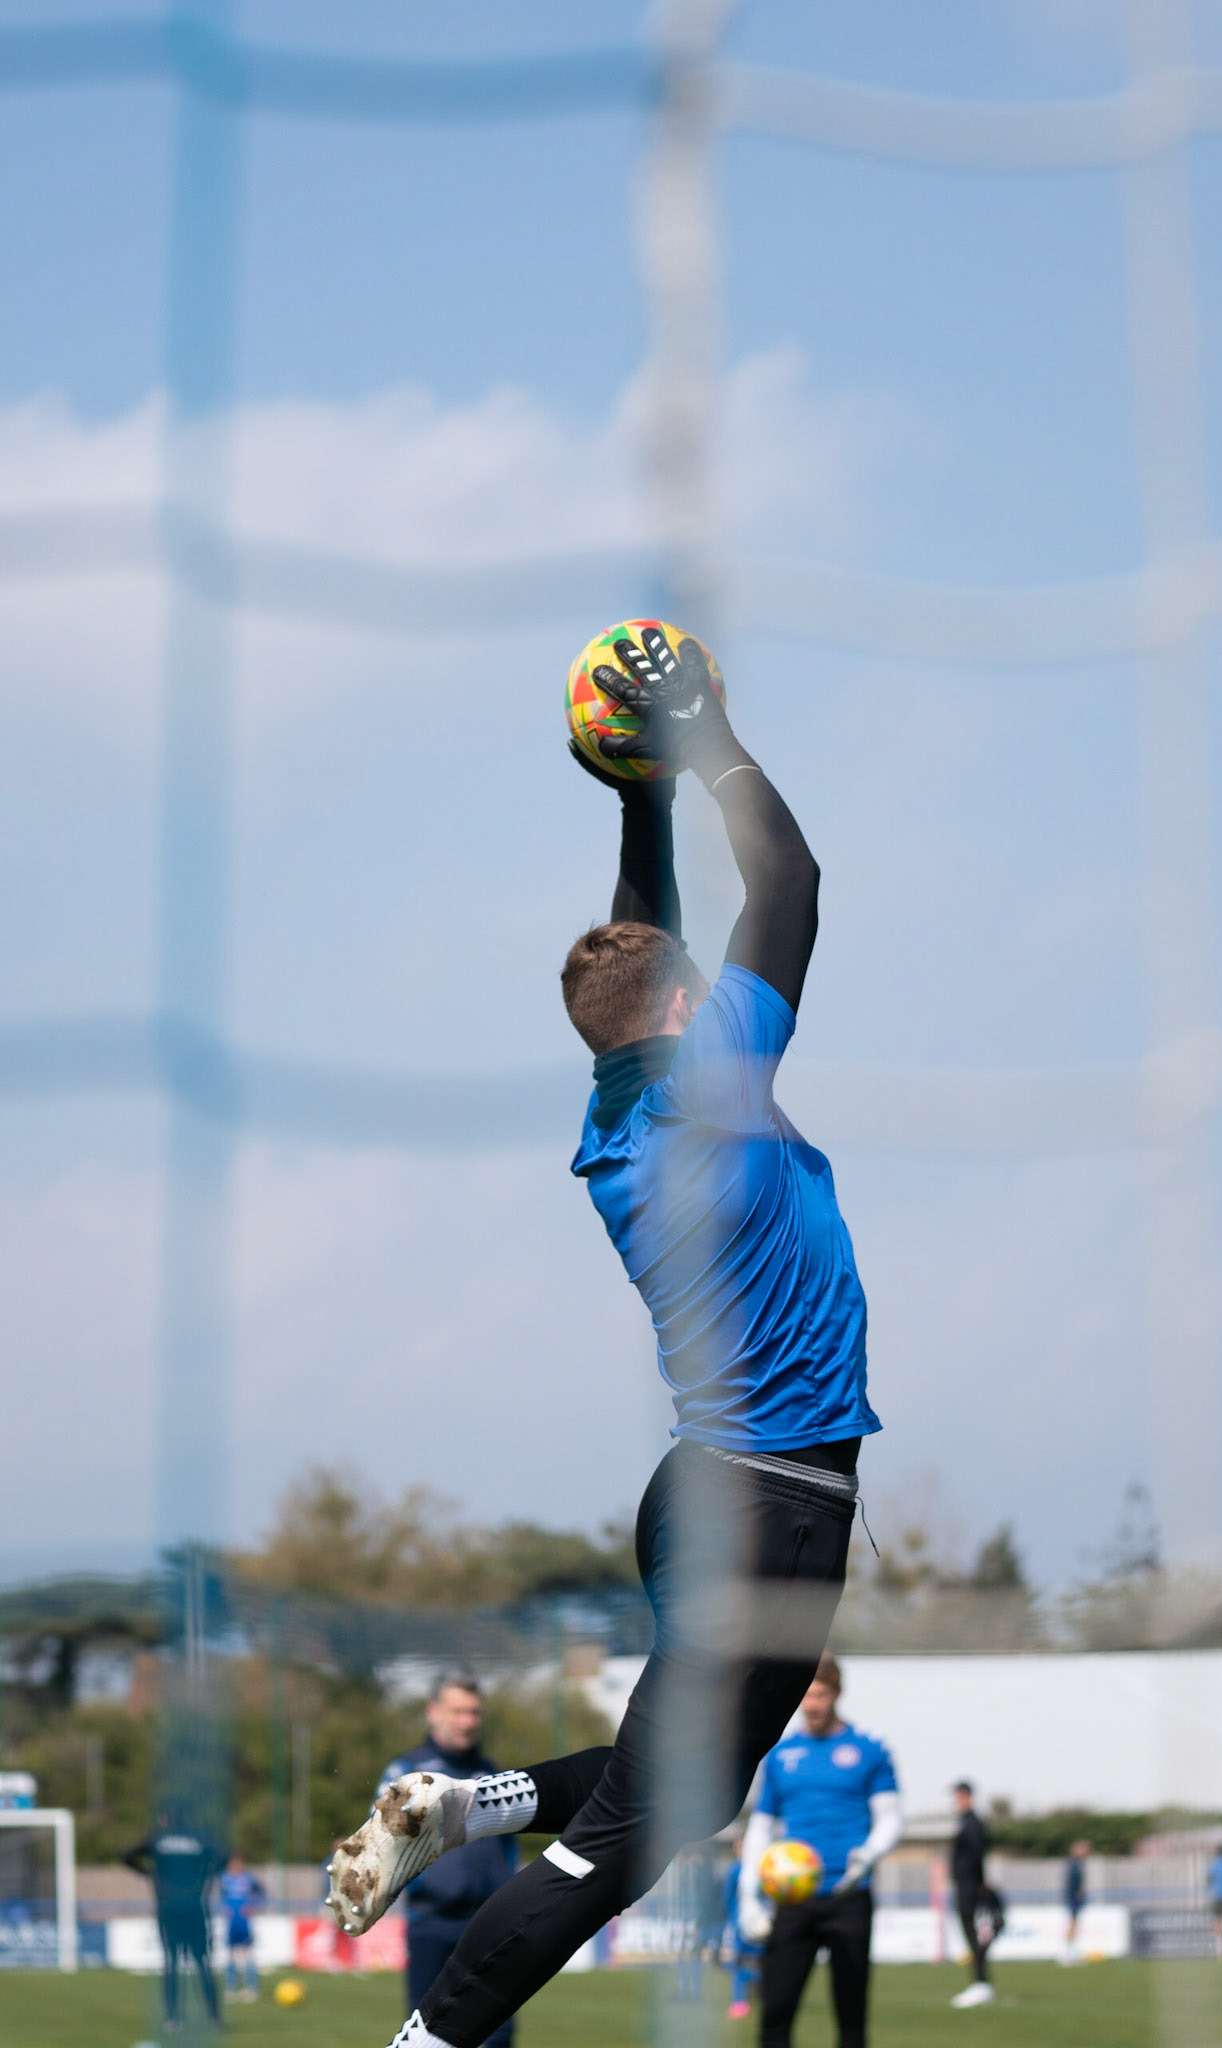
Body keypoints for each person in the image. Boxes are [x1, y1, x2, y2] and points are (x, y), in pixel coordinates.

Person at [327, 626, 880, 2048]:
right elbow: (792, 884)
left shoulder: (618, 1112)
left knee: (685, 1792)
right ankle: (427, 2039)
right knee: (623, 1845)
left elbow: (639, 940)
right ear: (687, 1011)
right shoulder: (713, 1087)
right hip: (773, 1506)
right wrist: (707, 740)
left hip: (700, 1492)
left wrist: (639, 793)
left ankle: (470, 1806)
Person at [737, 1654, 900, 2048]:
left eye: (821, 1695)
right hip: (793, 1899)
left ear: (837, 1694)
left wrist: (869, 1855)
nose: (812, 1704)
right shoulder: (780, 1754)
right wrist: (748, 1897)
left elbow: (890, 1819)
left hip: (849, 1896)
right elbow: (760, 1827)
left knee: (851, 2018)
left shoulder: (870, 1749)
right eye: (806, 1696)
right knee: (774, 2014)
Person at [374, 1673, 518, 2036]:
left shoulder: (492, 1773)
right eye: (458, 1712)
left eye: (474, 1712)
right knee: (425, 2034)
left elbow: (508, 1845)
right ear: (433, 1712)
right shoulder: (407, 1772)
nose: (467, 1722)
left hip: (489, 1925)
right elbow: (379, 1839)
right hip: (431, 1923)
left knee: (499, 2034)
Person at [123, 1806, 225, 2030]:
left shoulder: (158, 1839)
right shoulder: (199, 1838)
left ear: (164, 1818)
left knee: (171, 1962)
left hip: (168, 1908)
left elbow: (126, 1855)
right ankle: (214, 2017)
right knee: (203, 1963)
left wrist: (149, 1873)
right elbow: (224, 1857)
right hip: (195, 1907)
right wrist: (205, 1875)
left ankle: (172, 2018)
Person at [949, 1781, 994, 2009]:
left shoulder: (972, 1823)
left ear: (965, 1796)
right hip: (966, 1883)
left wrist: (978, 1882)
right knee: (969, 1931)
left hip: (969, 1884)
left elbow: (977, 1854)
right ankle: (980, 1981)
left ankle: (981, 1982)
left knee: (972, 1930)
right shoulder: (965, 1821)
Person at [722, 1839, 762, 2019]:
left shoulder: (736, 1870)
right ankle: (750, 1997)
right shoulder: (759, 1868)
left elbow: (727, 1898)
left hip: (745, 1923)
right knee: (754, 1962)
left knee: (739, 1963)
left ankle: (740, 2002)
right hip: (754, 1922)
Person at [219, 1854, 266, 2002]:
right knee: (230, 1955)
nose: (235, 1866)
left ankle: (251, 1987)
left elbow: (261, 1892)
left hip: (244, 1923)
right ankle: (231, 1988)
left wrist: (255, 1906)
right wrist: (223, 1907)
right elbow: (221, 1896)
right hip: (231, 1923)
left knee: (248, 1955)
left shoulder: (248, 1878)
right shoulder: (224, 1878)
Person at [1060, 1838, 1089, 1965]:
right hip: (1072, 1899)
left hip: (1076, 1899)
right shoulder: (1073, 1864)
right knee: (1072, 1924)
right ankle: (1066, 1954)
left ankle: (1071, 1953)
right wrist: (1076, 1893)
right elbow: (1071, 1883)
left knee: (1075, 1925)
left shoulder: (1080, 1864)